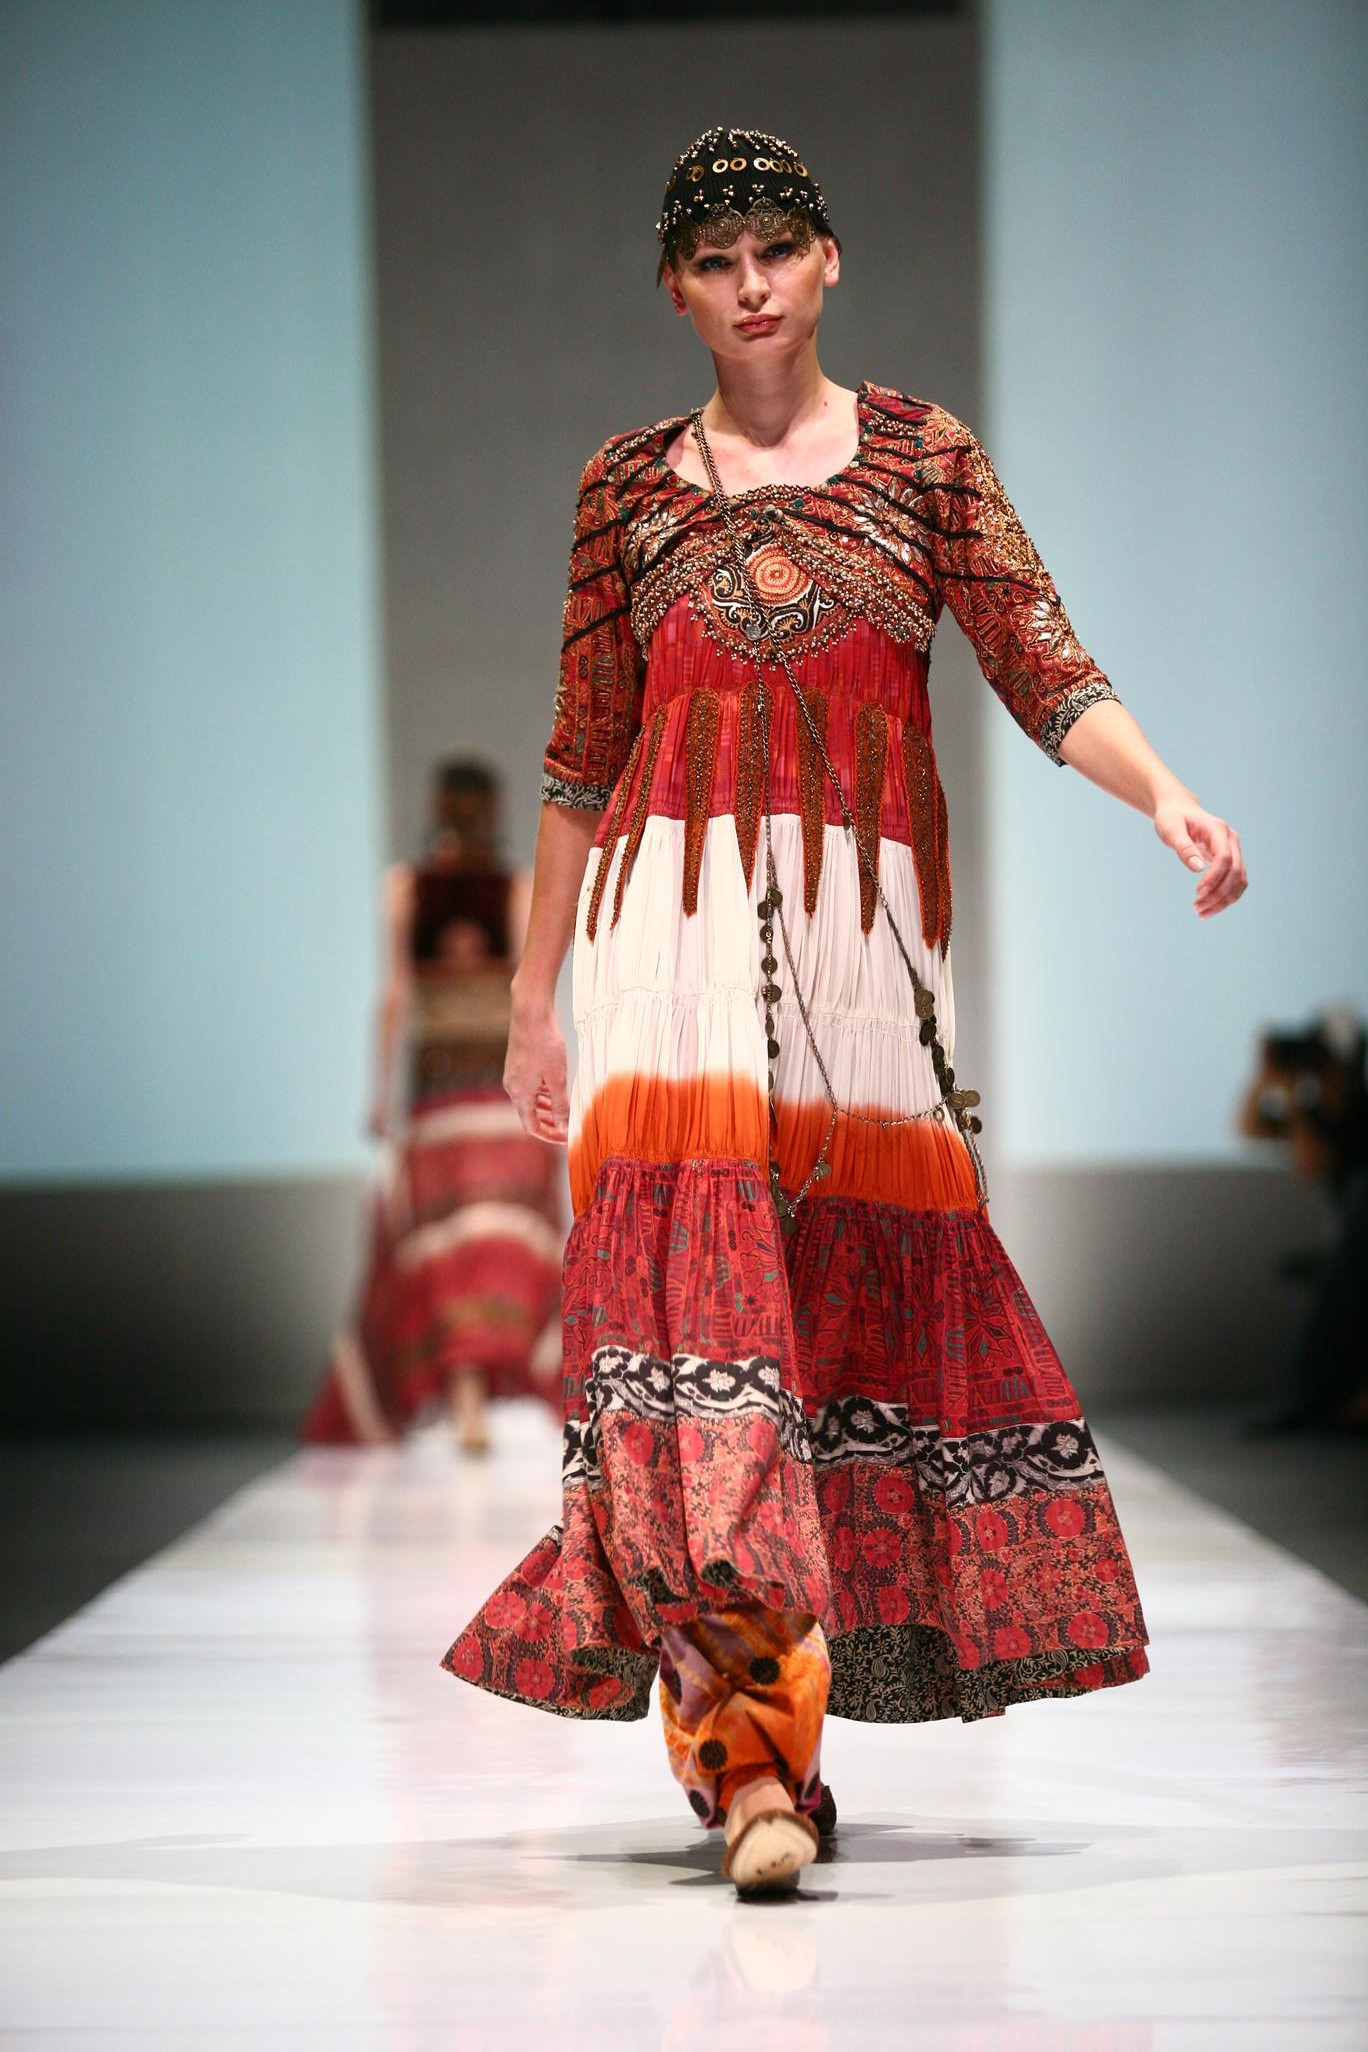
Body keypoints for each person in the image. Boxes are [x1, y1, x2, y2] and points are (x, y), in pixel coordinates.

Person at [442, 129, 1248, 1893]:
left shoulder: (924, 457)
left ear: (828, 261)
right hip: (666, 957)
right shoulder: (624, 488)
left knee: (835, 1346)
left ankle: (775, 1737)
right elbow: (580, 756)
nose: (749, 282)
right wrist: (532, 1001)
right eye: (713, 256)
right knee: (700, 1351)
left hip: (863, 976)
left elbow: (1041, 660)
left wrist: (1166, 794)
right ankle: (752, 1771)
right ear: (673, 290)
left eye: (775, 247)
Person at [303, 759, 562, 1454]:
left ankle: (468, 1396)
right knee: (498, 1244)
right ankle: (480, 1396)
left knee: (447, 1252)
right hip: (496, 1098)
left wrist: (379, 1095)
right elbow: (527, 995)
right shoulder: (513, 887)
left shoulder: (405, 888)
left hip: (441, 1099)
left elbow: (395, 998)